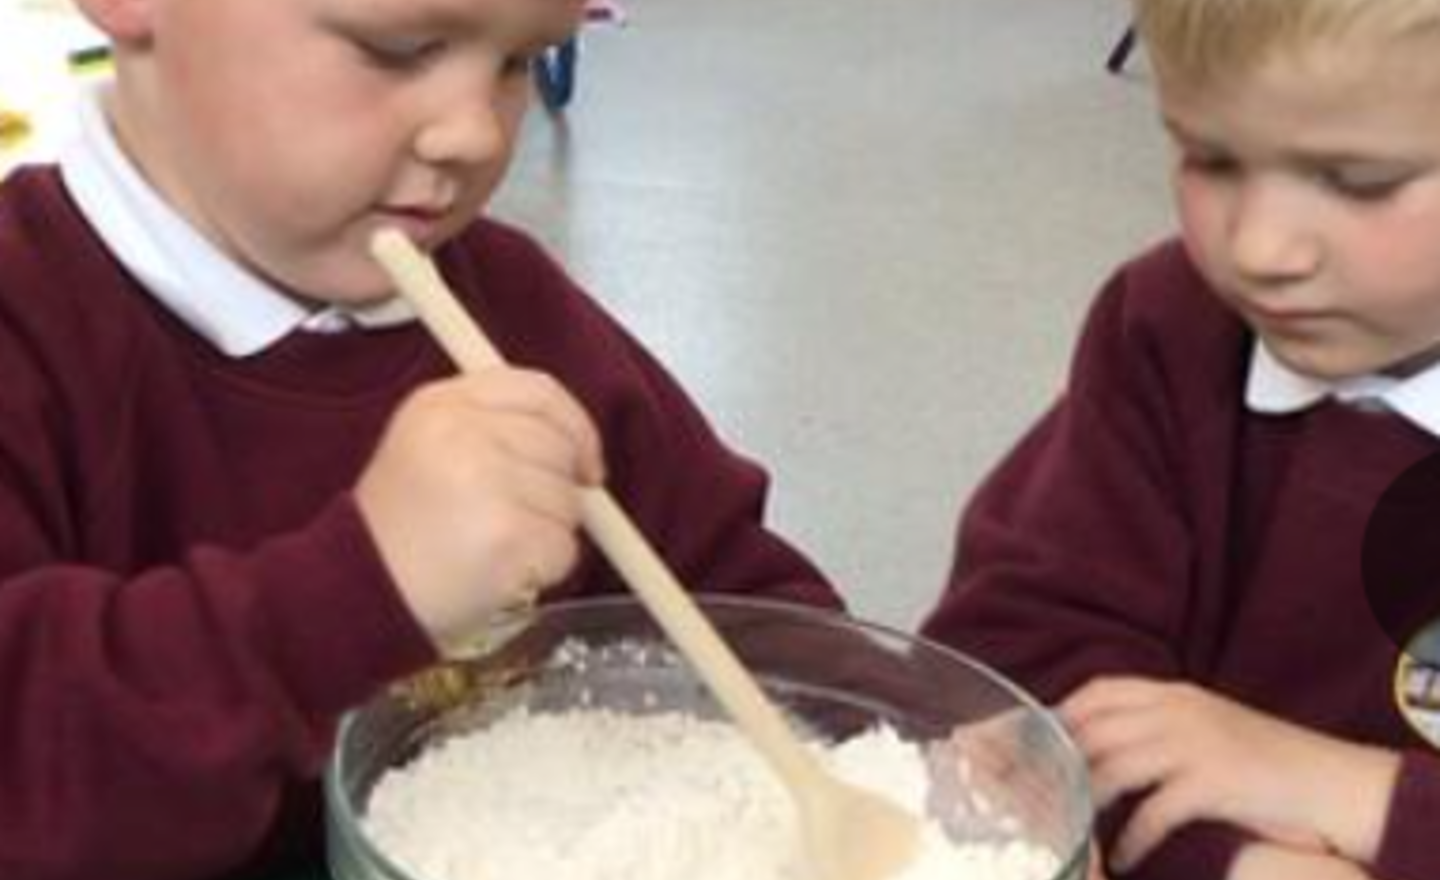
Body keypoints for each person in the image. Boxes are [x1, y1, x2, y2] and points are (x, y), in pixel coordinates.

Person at [0, 0, 840, 876]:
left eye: (520, 62)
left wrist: (871, 739)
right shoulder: (31, 332)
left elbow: (744, 610)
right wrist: (358, 589)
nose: (475, 136)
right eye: (395, 49)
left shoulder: (515, 311)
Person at [922, 1, 1440, 878]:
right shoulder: (1169, 330)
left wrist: (1364, 796)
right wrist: (1235, 862)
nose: (1261, 248)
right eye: (1210, 158)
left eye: (1358, 181)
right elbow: (1016, 681)